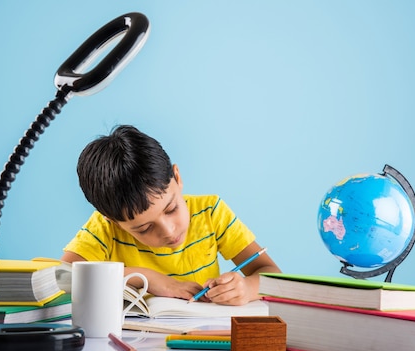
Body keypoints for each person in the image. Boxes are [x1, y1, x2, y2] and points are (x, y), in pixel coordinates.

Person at [62, 125, 280, 305]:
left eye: (171, 208)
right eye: (145, 228)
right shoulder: (105, 228)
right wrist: (147, 278)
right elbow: (63, 277)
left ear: (177, 176)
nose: (169, 230)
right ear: (111, 219)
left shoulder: (211, 213)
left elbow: (272, 273)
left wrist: (248, 288)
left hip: (201, 342)